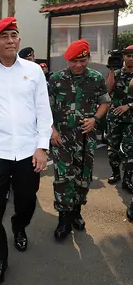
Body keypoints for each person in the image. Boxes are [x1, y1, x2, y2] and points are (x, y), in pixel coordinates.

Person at [0, 17, 53, 284]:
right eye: (4, 36)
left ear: (19, 40)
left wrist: (42, 147)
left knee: (27, 200)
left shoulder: (34, 70)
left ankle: (19, 226)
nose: (10, 40)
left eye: (14, 35)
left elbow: (44, 110)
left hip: (28, 151)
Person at [49, 39, 110, 240]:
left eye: (82, 60)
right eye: (74, 61)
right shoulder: (56, 79)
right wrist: (52, 131)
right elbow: (44, 109)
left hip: (86, 138)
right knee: (62, 178)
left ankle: (76, 212)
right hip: (62, 139)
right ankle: (63, 218)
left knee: (83, 178)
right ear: (67, 60)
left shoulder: (95, 78)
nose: (78, 65)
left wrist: (95, 119)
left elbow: (104, 102)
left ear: (88, 59)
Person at [105, 45, 133, 191]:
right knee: (112, 149)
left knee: (130, 151)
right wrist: (111, 69)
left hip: (131, 119)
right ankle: (116, 173)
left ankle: (128, 180)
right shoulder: (116, 73)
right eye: (128, 56)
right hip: (115, 117)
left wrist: (129, 105)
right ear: (123, 57)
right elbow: (107, 90)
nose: (131, 59)